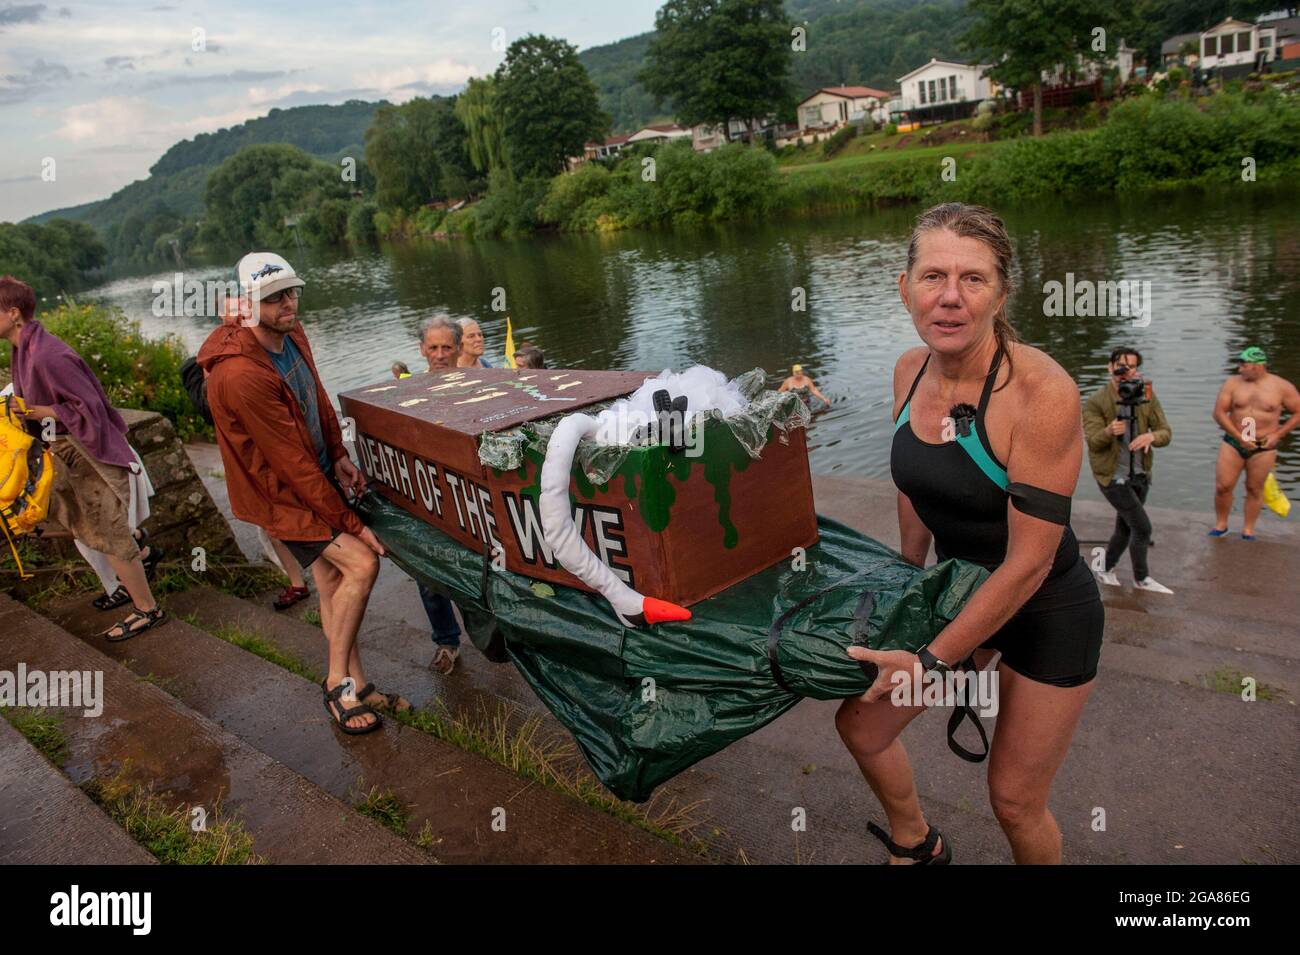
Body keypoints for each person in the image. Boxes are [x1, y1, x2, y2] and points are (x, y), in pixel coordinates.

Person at [836, 203, 1103, 865]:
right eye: (932, 276)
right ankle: (916, 840)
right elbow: (914, 483)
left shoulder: (1042, 392)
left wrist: (926, 661)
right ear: (904, 288)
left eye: (973, 279)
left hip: (1045, 608)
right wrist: (907, 581)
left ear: (1001, 292)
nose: (950, 297)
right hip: (959, 592)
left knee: (1013, 798)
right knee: (863, 725)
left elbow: (1030, 564)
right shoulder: (908, 370)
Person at [198, 252, 400, 733]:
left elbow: (316, 394)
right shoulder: (241, 374)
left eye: (292, 291)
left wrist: (339, 454)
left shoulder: (291, 330)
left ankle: (360, 683)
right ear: (248, 305)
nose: (289, 303)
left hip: (312, 474)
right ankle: (337, 685)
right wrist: (356, 526)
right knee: (362, 564)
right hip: (281, 495)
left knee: (332, 582)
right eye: (274, 297)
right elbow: (289, 465)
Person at [0, 275, 167, 640]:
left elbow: (91, 407)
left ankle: (147, 610)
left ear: (13, 313)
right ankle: (142, 546)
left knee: (108, 532)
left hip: (89, 453)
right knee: (81, 526)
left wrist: (38, 410)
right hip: (66, 452)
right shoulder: (23, 349)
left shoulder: (47, 354)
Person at [1081, 347, 1174, 593]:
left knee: (1125, 526)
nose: (1125, 372)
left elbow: (1166, 432)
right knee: (1142, 527)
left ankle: (1105, 569)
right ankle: (1141, 579)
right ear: (1109, 367)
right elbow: (1092, 441)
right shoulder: (1096, 401)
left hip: (1141, 473)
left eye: (1131, 367)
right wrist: (1109, 431)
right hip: (1112, 476)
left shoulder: (1147, 394)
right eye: (1120, 367)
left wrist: (1151, 436)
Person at [417, 316, 468, 673]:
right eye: (433, 347)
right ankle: (447, 642)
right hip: (427, 496)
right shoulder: (410, 390)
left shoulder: (477, 384)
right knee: (428, 575)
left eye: (446, 346)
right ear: (422, 350)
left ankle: (498, 639)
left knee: (476, 573)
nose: (440, 354)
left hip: (467, 495)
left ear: (458, 348)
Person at [1211, 347, 1299, 540]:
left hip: (1264, 446)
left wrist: (1278, 434)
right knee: (1223, 486)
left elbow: (1298, 412)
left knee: (1254, 488)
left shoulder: (1282, 386)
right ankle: (1221, 524)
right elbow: (1219, 413)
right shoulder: (1232, 384)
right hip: (1234, 442)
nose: (1240, 368)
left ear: (1258, 366)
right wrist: (1238, 436)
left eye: (1244, 364)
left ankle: (1248, 529)